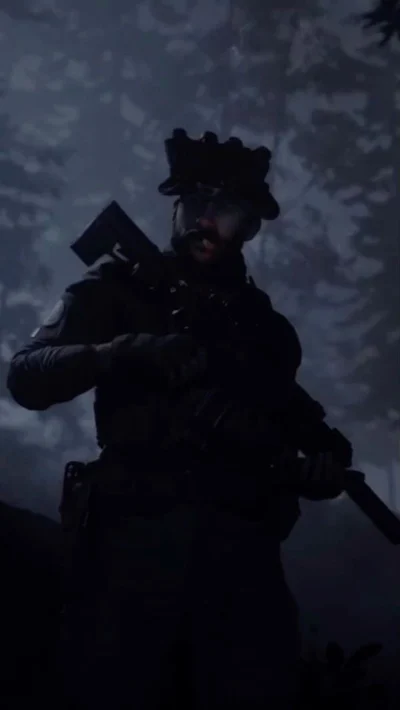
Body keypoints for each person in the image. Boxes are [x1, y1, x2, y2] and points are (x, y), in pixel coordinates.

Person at [6, 130, 343, 709]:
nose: (205, 219)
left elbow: (298, 423)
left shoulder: (265, 332)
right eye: (195, 201)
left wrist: (323, 465)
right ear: (175, 206)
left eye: (225, 208)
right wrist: (117, 353)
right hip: (132, 550)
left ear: (250, 226)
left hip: (240, 565)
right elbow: (26, 376)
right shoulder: (120, 287)